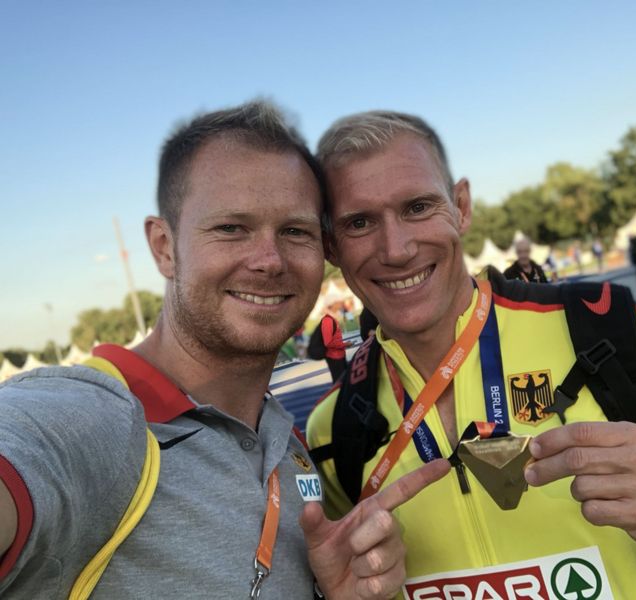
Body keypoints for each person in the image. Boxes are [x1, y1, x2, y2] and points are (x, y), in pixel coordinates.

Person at [306, 110, 636, 598]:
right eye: (359, 222)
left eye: (417, 207)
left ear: (461, 207)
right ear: (330, 245)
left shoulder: (607, 332)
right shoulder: (334, 428)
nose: (396, 249)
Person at [0, 101, 449, 598]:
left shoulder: (291, 450)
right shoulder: (92, 419)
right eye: (231, 228)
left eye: (295, 231)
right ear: (165, 247)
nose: (269, 260)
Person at [320, 302, 349, 381]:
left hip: (340, 355)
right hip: (335, 357)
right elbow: (328, 343)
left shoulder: (333, 318)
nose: (340, 304)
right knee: (340, 382)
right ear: (332, 305)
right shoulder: (327, 320)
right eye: (337, 303)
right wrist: (345, 344)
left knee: (345, 381)